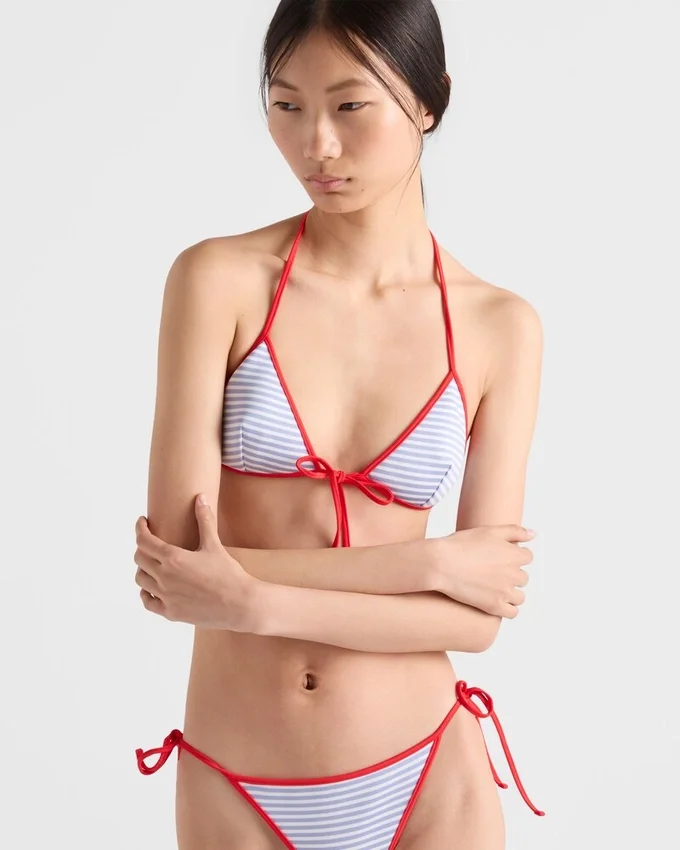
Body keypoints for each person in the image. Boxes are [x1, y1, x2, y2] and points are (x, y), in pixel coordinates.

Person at [133, 1, 544, 847]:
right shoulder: (218, 281)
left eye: (350, 105)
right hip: (236, 782)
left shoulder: (500, 328)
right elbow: (176, 569)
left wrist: (251, 600)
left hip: (430, 775)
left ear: (429, 100)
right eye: (286, 106)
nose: (315, 144)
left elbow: (476, 621)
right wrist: (429, 563)